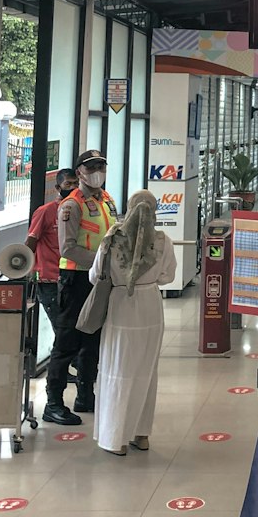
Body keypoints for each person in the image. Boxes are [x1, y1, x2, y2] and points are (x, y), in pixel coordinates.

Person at [90, 189, 176, 456]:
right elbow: (167, 277)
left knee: (117, 369)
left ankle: (116, 437)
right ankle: (142, 434)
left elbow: (95, 275)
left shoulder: (112, 239)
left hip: (120, 307)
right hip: (150, 307)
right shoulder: (162, 241)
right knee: (146, 371)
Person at [42, 150, 119, 427]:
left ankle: (86, 395)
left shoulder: (107, 200)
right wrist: (102, 262)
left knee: (92, 341)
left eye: (101, 165)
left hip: (98, 280)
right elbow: (68, 248)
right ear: (79, 173)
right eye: (91, 167)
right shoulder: (71, 205)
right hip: (75, 280)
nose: (97, 171)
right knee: (67, 343)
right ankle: (53, 404)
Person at [25, 167, 77, 332]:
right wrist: (24, 269)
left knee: (72, 330)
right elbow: (30, 242)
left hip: (71, 278)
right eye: (68, 184)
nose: (73, 188)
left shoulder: (79, 210)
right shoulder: (46, 212)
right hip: (50, 282)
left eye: (76, 184)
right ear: (58, 187)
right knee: (62, 331)